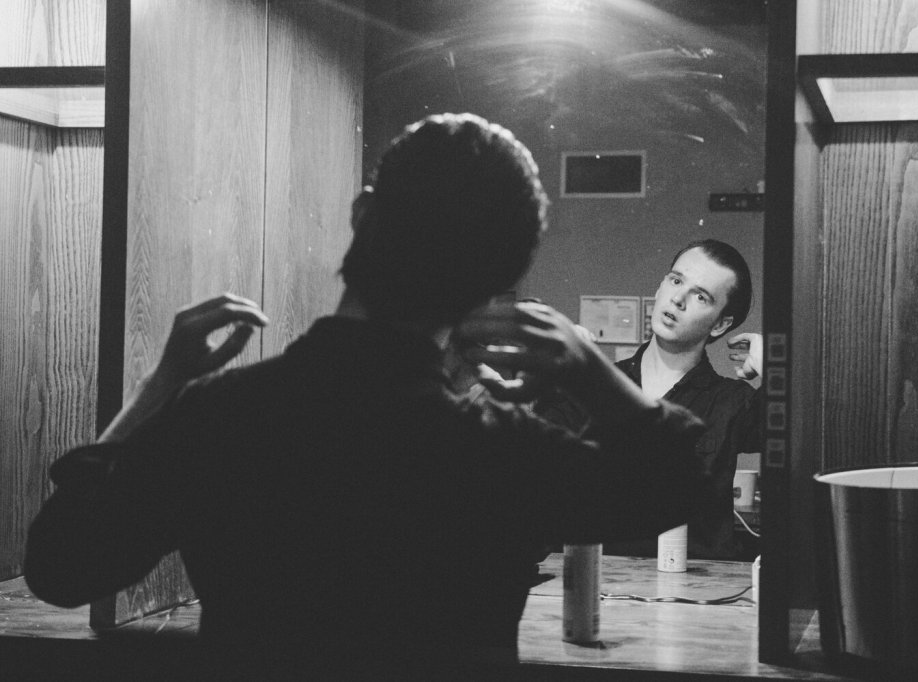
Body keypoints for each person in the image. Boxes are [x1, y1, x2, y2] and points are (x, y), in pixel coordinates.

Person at [24, 113, 710, 679]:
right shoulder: (498, 450)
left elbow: (61, 569)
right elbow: (676, 480)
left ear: (362, 214)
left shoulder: (222, 415)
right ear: (497, 283)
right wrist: (587, 368)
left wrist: (158, 388)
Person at [537, 239, 763, 560]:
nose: (678, 299)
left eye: (701, 296)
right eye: (676, 280)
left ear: (720, 324)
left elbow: (797, 439)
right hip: (603, 579)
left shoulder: (733, 401)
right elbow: (536, 468)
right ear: (660, 288)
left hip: (701, 582)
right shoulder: (598, 385)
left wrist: (774, 365)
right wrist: (557, 373)